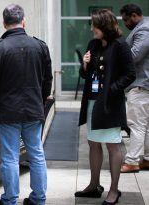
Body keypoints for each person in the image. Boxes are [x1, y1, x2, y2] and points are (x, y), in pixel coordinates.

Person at [0, 4, 53, 205]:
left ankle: (10, 200)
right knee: (37, 155)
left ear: (4, 23)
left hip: (8, 111)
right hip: (33, 109)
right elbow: (47, 80)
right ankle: (39, 199)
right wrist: (40, 100)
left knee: (10, 158)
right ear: (24, 21)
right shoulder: (40, 46)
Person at [75, 9, 135, 205]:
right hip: (92, 101)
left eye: (94, 25)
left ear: (104, 26)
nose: (91, 28)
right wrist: (84, 65)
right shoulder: (93, 44)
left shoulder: (120, 45)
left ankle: (114, 189)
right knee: (93, 142)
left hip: (110, 103)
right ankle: (94, 185)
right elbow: (86, 75)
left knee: (112, 144)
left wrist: (112, 89)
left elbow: (130, 74)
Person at [119, 4, 149, 173]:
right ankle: (147, 159)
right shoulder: (144, 27)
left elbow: (134, 55)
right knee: (146, 126)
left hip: (140, 85)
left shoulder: (144, 30)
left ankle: (132, 161)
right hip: (145, 85)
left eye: (126, 19)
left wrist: (116, 55)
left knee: (136, 125)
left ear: (135, 15)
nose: (125, 23)